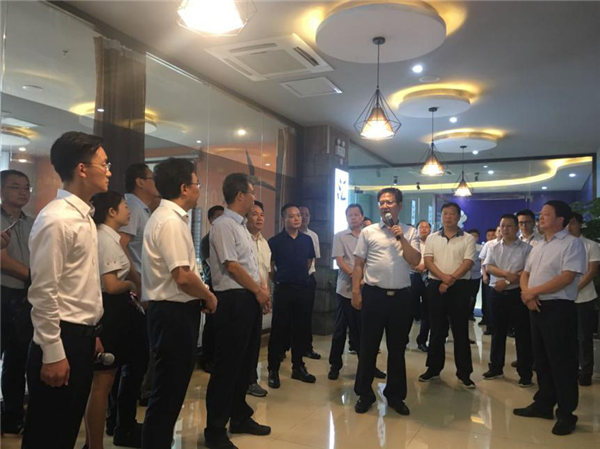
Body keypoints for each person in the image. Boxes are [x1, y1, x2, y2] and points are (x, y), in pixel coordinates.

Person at [22, 131, 110, 448]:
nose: (109, 171)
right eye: (104, 164)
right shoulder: (57, 219)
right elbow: (43, 292)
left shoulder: (83, 216)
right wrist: (53, 352)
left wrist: (91, 331)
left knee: (66, 430)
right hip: (60, 339)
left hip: (79, 337)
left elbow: (77, 286)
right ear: (82, 168)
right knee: (48, 435)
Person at [141, 158, 217, 449]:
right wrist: (208, 295)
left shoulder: (171, 218)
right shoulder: (170, 221)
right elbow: (183, 276)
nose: (199, 189)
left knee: (170, 390)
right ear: (184, 188)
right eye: (197, 184)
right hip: (172, 313)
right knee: (167, 391)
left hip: (174, 312)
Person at [204, 173, 271, 449]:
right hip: (232, 301)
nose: (254, 197)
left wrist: (261, 292)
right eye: (252, 192)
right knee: (227, 367)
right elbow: (231, 265)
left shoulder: (242, 226)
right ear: (240, 195)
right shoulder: (223, 225)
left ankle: (240, 416)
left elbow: (250, 265)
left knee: (245, 364)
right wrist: (258, 291)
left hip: (248, 299)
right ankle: (215, 430)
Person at [514, 201, 586, 436]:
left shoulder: (572, 244)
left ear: (560, 219)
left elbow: (566, 278)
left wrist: (532, 292)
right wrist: (527, 293)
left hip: (559, 309)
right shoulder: (538, 245)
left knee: (562, 362)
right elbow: (525, 273)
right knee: (541, 360)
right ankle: (543, 404)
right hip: (536, 306)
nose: (541, 218)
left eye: (546, 214)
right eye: (541, 214)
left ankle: (566, 413)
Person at [351, 188, 420, 415]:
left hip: (401, 298)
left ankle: (395, 395)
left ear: (399, 205)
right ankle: (364, 394)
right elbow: (358, 265)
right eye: (381, 202)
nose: (384, 206)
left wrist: (400, 237)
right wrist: (356, 292)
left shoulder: (410, 231)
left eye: (389, 202)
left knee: (397, 349)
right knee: (368, 347)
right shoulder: (368, 231)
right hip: (374, 295)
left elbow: (415, 260)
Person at [84, 191, 143, 449]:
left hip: (116, 312)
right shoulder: (105, 239)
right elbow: (110, 285)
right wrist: (131, 284)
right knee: (102, 383)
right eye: (124, 206)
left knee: (107, 380)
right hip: (111, 312)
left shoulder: (110, 238)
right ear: (111, 212)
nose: (128, 211)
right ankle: (94, 444)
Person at [420, 202, 476, 389]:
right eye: (445, 213)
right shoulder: (432, 238)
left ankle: (464, 373)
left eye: (452, 214)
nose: (448, 217)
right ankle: (433, 369)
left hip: (459, 286)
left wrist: (450, 280)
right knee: (436, 329)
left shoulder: (468, 238)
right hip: (436, 285)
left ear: (459, 217)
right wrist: (444, 278)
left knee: (460, 331)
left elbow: (468, 262)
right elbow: (428, 261)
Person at [118, 163, 160, 410]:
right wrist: (138, 283)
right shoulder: (132, 207)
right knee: (134, 358)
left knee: (140, 356)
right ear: (140, 182)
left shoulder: (142, 209)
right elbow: (120, 246)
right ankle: (122, 418)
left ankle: (126, 415)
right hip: (134, 292)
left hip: (141, 288)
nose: (156, 183)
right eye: (152, 178)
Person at [328, 204, 386, 380]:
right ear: (347, 218)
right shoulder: (340, 236)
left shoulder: (369, 236)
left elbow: (373, 260)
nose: (353, 217)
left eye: (356, 214)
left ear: (362, 217)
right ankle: (335, 366)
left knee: (365, 332)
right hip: (345, 290)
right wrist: (355, 275)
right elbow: (339, 261)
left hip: (366, 289)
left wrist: (363, 278)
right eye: (350, 215)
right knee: (340, 330)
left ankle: (368, 367)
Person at [267, 204, 316, 389]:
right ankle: (273, 369)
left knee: (301, 329)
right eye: (292, 216)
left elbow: (309, 261)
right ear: (284, 219)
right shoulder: (275, 241)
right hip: (284, 290)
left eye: (298, 216)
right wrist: (279, 280)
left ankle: (298, 367)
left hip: (303, 289)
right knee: (279, 330)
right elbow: (270, 267)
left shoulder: (307, 240)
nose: (297, 219)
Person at [0, 169, 34, 435]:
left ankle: (13, 418)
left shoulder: (32, 222)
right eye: (15, 187)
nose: (22, 192)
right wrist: (35, 276)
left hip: (25, 297)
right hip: (3, 293)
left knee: (18, 359)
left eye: (26, 187)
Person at [482, 214, 533, 387]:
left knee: (522, 334)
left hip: (517, 293)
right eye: (502, 226)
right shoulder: (493, 246)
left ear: (517, 228)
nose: (505, 229)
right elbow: (489, 266)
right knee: (498, 332)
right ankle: (496, 367)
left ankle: (525, 373)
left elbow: (527, 271)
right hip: (496, 294)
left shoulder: (526, 248)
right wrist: (505, 275)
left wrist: (508, 282)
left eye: (509, 226)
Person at [567, 213, 599, 387]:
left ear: (580, 225)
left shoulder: (591, 245)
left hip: (584, 297)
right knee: (568, 336)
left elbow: (591, 272)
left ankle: (586, 372)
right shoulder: (563, 246)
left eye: (572, 223)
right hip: (564, 298)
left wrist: (574, 288)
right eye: (567, 223)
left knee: (585, 337)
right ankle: (571, 369)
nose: (569, 227)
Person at [245, 200, 271, 398]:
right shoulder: (242, 239)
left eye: (261, 214)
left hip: (260, 296)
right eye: (254, 214)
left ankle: (250, 380)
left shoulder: (264, 242)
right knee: (243, 342)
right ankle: (245, 380)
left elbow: (265, 272)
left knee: (254, 341)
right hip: (245, 295)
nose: (259, 218)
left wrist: (267, 296)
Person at [199, 205, 225, 374]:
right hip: (212, 287)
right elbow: (214, 265)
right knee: (211, 325)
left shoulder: (223, 238)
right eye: (217, 217)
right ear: (210, 220)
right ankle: (207, 359)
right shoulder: (206, 241)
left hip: (224, 287)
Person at [299, 206, 321, 360]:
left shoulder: (313, 236)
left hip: (308, 279)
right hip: (292, 280)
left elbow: (315, 258)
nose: (304, 217)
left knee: (306, 315)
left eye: (307, 214)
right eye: (301, 214)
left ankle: (307, 347)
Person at [410, 220, 432, 352]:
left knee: (427, 311)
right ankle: (403, 340)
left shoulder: (434, 243)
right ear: (417, 230)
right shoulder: (412, 242)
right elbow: (405, 257)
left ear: (430, 229)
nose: (424, 229)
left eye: (426, 227)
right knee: (408, 310)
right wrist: (415, 266)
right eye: (421, 227)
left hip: (429, 276)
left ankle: (422, 340)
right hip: (413, 276)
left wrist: (426, 266)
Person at [479, 227, 500, 335]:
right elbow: (483, 260)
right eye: (499, 230)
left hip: (503, 277)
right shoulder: (489, 244)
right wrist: (484, 275)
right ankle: (489, 325)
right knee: (488, 301)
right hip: (489, 274)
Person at [466, 229, 482, 322]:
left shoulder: (481, 248)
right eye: (471, 236)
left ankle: (470, 313)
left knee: (473, 295)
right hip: (464, 275)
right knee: (464, 295)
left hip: (476, 275)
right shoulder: (464, 247)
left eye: (475, 236)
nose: (473, 238)